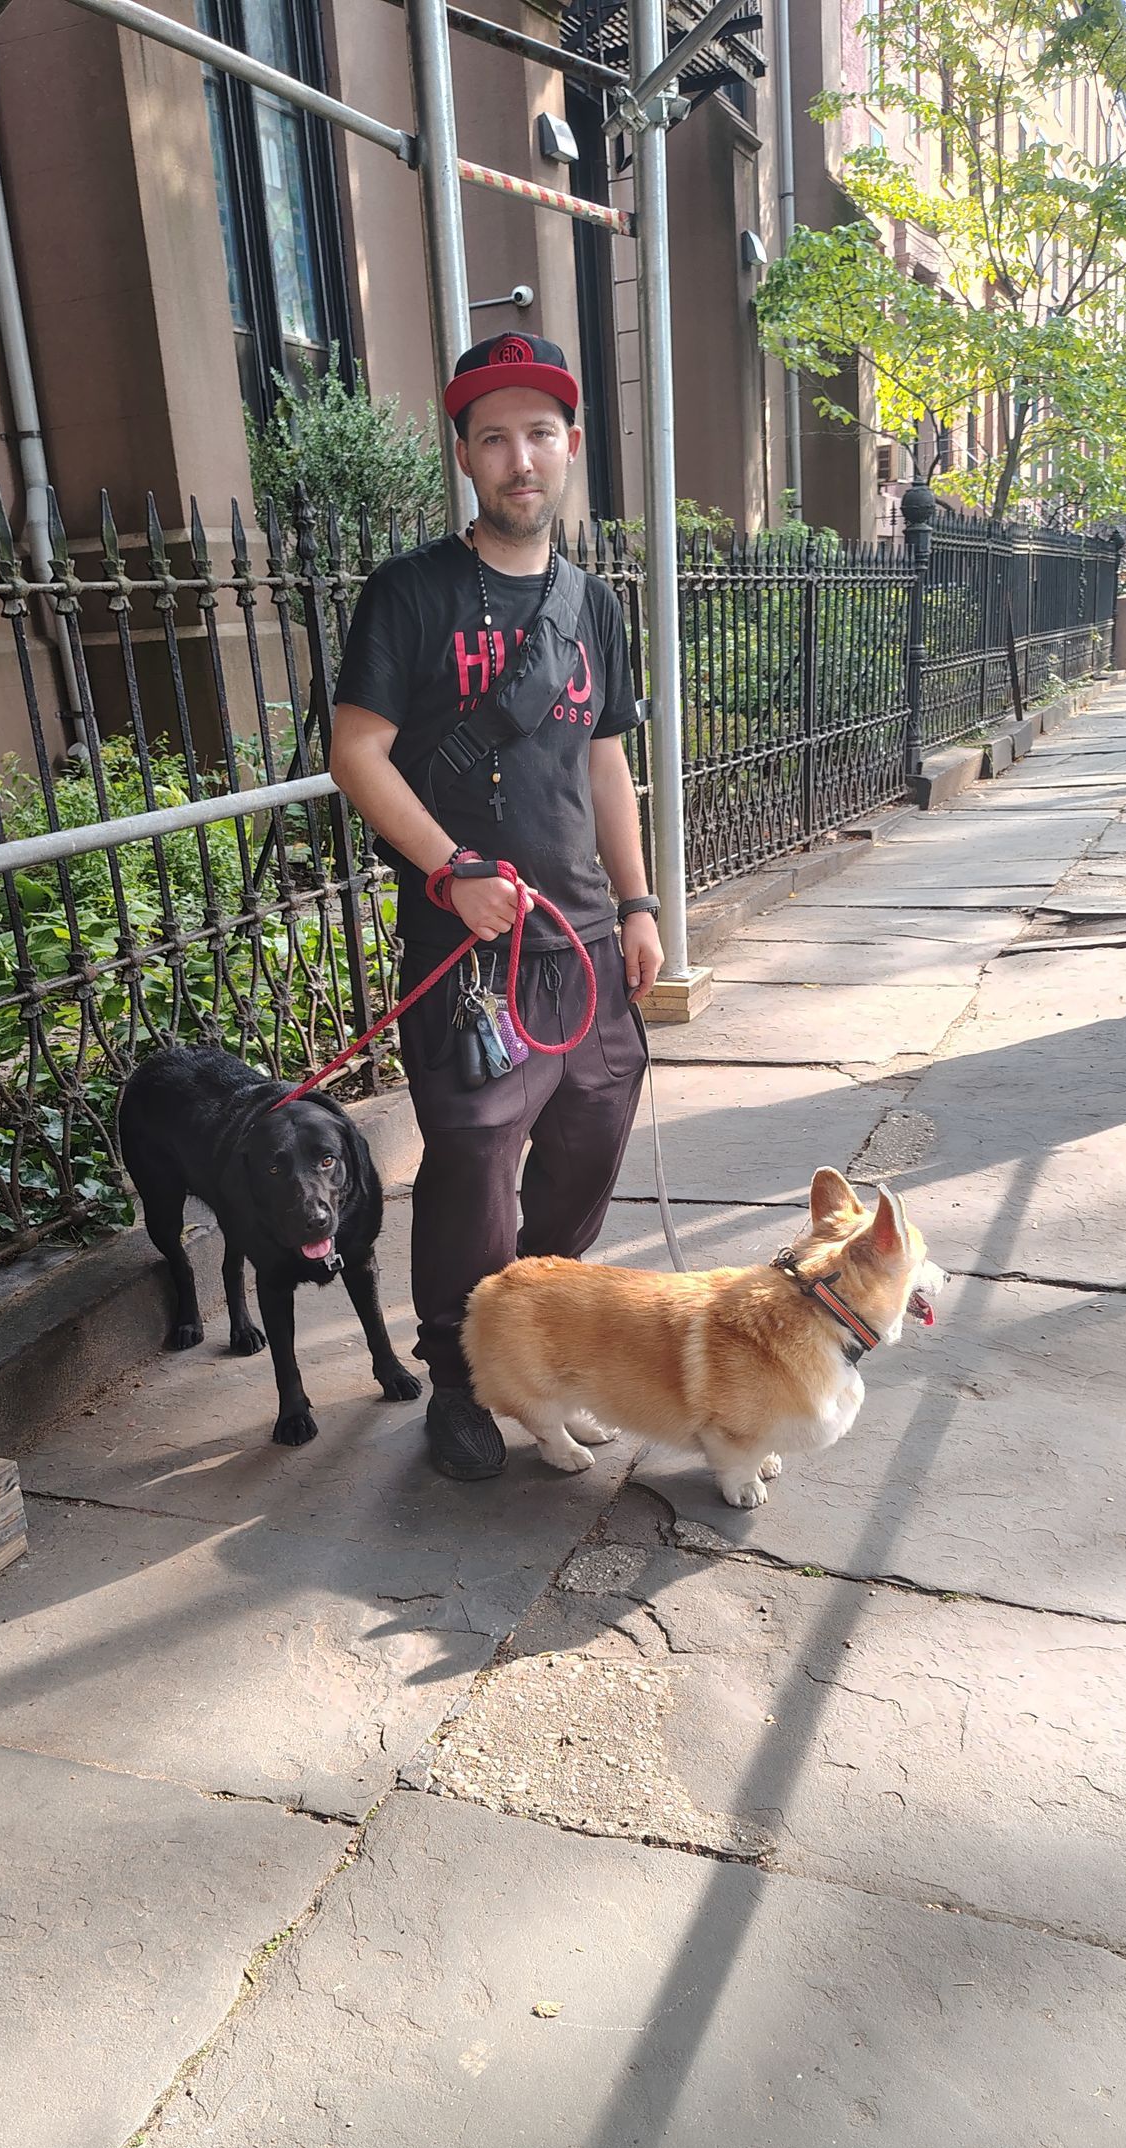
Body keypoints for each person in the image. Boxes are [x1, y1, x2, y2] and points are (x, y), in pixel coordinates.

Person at [329, 333, 664, 1481]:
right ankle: (462, 1377)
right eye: (494, 437)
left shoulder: (593, 606)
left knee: (590, 1137)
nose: (520, 457)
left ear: (569, 447)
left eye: (539, 433)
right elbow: (357, 753)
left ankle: (537, 1340)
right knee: (474, 1155)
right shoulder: (410, 595)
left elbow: (607, 761)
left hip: (580, 937)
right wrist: (446, 869)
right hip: (468, 947)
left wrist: (638, 900)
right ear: (466, 457)